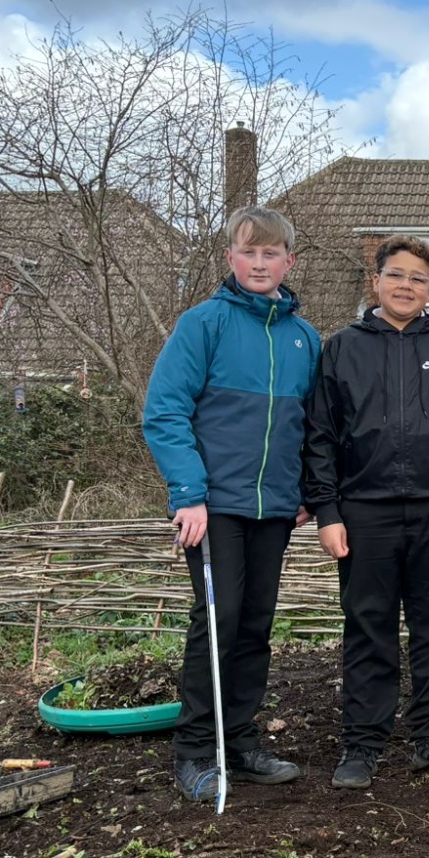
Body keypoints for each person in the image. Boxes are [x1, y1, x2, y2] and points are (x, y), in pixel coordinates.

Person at [302, 237, 429, 788]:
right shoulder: (341, 348)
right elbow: (319, 435)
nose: (406, 285)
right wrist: (326, 509)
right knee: (368, 626)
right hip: (363, 511)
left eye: (418, 278)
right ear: (376, 281)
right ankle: (363, 743)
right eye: (397, 274)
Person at [143, 204, 320, 804]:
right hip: (213, 507)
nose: (261, 263)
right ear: (231, 258)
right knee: (218, 620)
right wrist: (189, 495)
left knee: (255, 624)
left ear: (289, 262)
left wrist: (300, 492)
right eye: (250, 252)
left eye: (272, 254)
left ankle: (238, 740)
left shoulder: (304, 337)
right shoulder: (203, 324)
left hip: (274, 508)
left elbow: (311, 425)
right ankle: (195, 752)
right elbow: (164, 412)